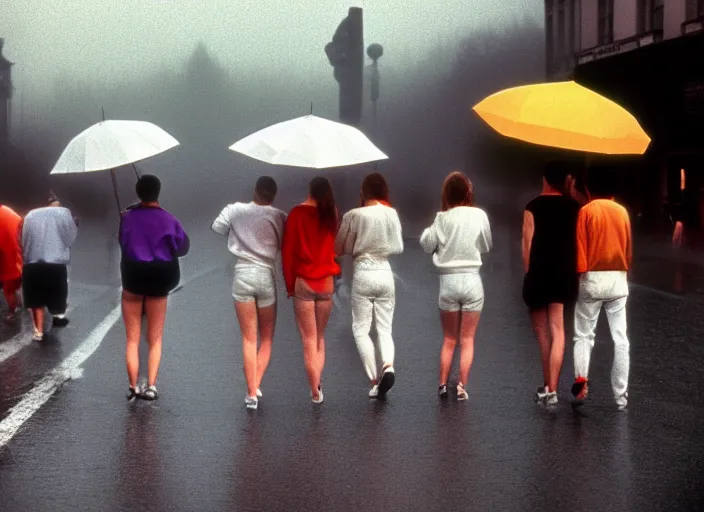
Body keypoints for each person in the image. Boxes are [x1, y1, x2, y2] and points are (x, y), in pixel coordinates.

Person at [212, 176, 286, 410]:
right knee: (266, 338)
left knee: (248, 337)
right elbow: (285, 243)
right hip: (265, 275)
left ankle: (251, 392)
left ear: (254, 190)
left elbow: (217, 227)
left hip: (242, 273)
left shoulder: (235, 209)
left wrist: (239, 230)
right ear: (273, 195)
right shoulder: (279, 216)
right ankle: (253, 388)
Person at [420, 171, 492, 401]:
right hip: (472, 280)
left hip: (448, 283)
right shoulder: (479, 215)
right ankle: (461, 386)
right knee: (467, 339)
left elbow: (425, 243)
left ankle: (442, 384)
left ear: (447, 194)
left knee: (449, 339)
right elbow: (486, 245)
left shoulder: (443, 218)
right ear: (468, 193)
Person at [119, 175, 189, 401]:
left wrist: (125, 218)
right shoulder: (169, 219)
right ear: (158, 192)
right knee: (155, 338)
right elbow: (182, 248)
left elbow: (123, 243)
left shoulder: (127, 218)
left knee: (132, 338)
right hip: (160, 279)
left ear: (138, 193)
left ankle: (132, 386)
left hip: (133, 277)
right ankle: (151, 386)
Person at [335, 173, 403, 398]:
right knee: (385, 328)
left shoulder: (354, 215)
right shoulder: (391, 214)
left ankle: (375, 380)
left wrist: (357, 240)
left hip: (363, 273)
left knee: (361, 328)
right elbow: (398, 246)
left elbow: (340, 247)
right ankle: (388, 366)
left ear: (363, 191)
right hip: (385, 273)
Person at [571, 169, 632, 410]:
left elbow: (580, 252)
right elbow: (628, 251)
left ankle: (581, 382)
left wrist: (581, 275)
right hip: (618, 277)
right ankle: (621, 395)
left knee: (584, 334)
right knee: (621, 339)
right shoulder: (623, 212)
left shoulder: (586, 211)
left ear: (589, 190)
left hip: (592, 277)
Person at [521, 161, 580, 406]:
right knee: (558, 330)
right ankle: (554, 390)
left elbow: (527, 244)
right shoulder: (575, 207)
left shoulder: (532, 206)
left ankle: (547, 386)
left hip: (539, 273)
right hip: (564, 273)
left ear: (545, 179)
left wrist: (529, 274)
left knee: (543, 335)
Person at [282, 176, 341, 404]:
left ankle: (315, 390)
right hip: (326, 282)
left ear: (309, 190)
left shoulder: (296, 214)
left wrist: (289, 286)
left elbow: (288, 252)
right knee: (319, 338)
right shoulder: (332, 213)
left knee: (308, 338)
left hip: (304, 282)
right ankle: (318, 382)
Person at [21, 195, 78, 341]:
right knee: (57, 293)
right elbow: (70, 238)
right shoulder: (63, 214)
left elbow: (23, 239)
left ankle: (38, 332)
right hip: (55, 263)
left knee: (35, 299)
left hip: (32, 263)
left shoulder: (30, 216)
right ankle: (58, 316)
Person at [0, 204, 23, 323]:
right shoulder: (10, 212)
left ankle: (13, 310)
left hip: (8, 261)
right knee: (13, 286)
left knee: (9, 290)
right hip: (17, 259)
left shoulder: (5, 215)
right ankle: (17, 304)